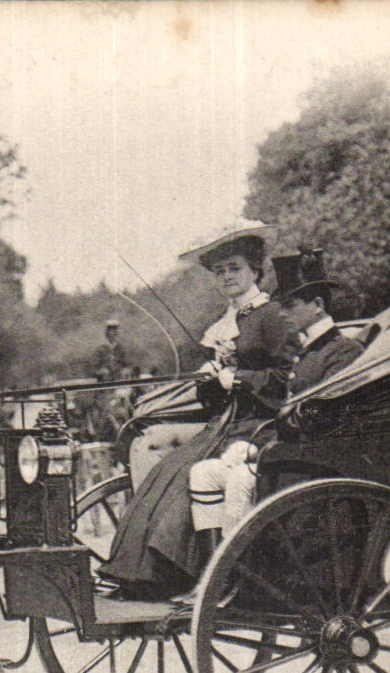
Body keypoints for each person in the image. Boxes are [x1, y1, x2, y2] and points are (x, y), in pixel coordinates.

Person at [98, 222, 296, 599]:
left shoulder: (271, 316)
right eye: (219, 272)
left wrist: (236, 378)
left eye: (234, 268)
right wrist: (210, 382)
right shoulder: (228, 321)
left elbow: (288, 378)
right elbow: (216, 402)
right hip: (227, 424)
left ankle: (179, 577)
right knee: (165, 469)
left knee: (181, 472)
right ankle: (140, 575)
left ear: (256, 270)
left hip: (262, 426)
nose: (226, 277)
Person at [188, 250, 364, 537]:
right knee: (203, 473)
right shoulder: (308, 353)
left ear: (317, 305)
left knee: (241, 479)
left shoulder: (343, 352)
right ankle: (214, 567)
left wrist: (259, 446)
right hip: (290, 454)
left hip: (317, 463)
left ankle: (234, 572)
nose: (282, 314)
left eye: (290, 305)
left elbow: (320, 418)